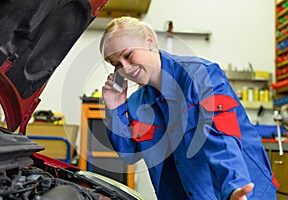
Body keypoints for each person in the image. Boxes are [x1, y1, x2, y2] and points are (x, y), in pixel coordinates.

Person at [100, 16, 278, 200]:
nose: (126, 69)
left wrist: (233, 188)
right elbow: (129, 154)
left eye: (128, 55)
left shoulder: (200, 76)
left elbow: (222, 138)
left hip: (241, 192)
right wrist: (115, 108)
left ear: (149, 41)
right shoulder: (137, 103)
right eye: (117, 65)